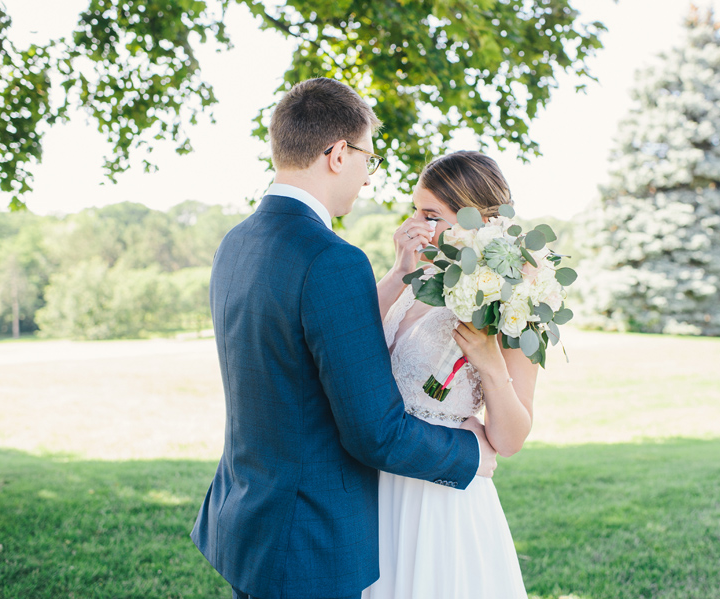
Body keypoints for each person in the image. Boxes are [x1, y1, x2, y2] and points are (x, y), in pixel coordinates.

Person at [190, 78, 498, 599]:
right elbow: (373, 432)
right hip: (307, 538)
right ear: (337, 153)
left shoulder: (236, 242)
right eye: (366, 159)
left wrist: (401, 270)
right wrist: (470, 456)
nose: (366, 177)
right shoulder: (332, 258)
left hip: (247, 520)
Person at [363, 151, 538, 599]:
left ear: (477, 219)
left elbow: (512, 440)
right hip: (375, 484)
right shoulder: (417, 275)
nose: (416, 225)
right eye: (415, 210)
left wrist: (490, 364)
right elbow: (355, 336)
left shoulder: (510, 299)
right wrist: (400, 268)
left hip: (440, 496)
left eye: (430, 215)